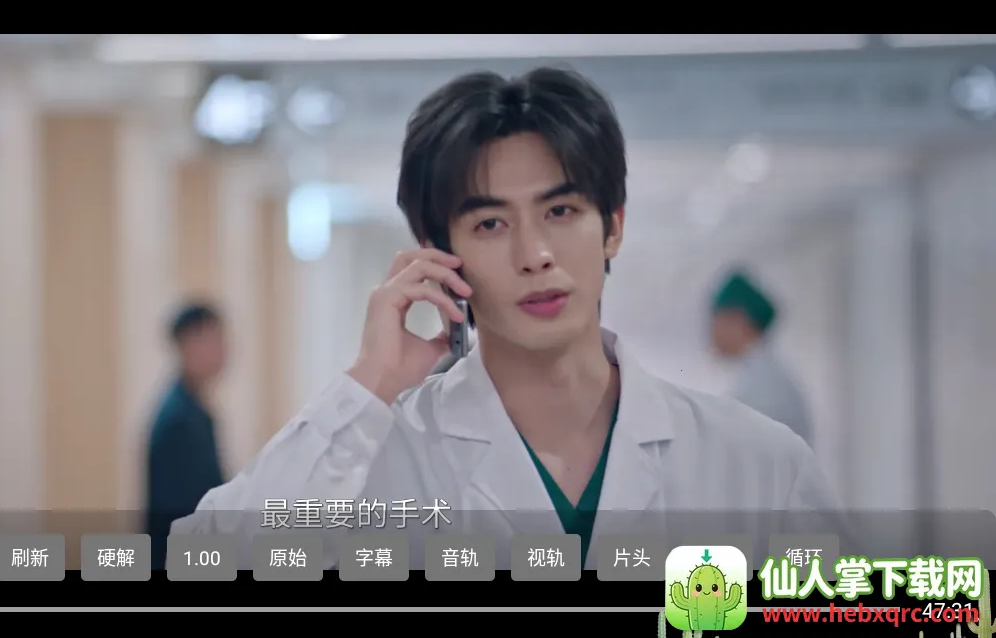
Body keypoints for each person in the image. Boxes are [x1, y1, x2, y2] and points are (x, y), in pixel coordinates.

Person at [172, 67, 843, 566]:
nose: (534, 255)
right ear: (440, 253)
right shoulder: (382, 460)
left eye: (561, 211)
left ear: (612, 226)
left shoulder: (756, 463)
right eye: (491, 223)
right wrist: (369, 384)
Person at [145, 302, 227, 570]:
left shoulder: (195, 410)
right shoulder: (179, 419)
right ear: (188, 345)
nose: (224, 350)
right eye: (215, 339)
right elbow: (185, 513)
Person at [710, 271, 814, 445]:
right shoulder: (764, 375)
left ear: (738, 320)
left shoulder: (762, 387)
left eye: (716, 321)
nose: (712, 333)